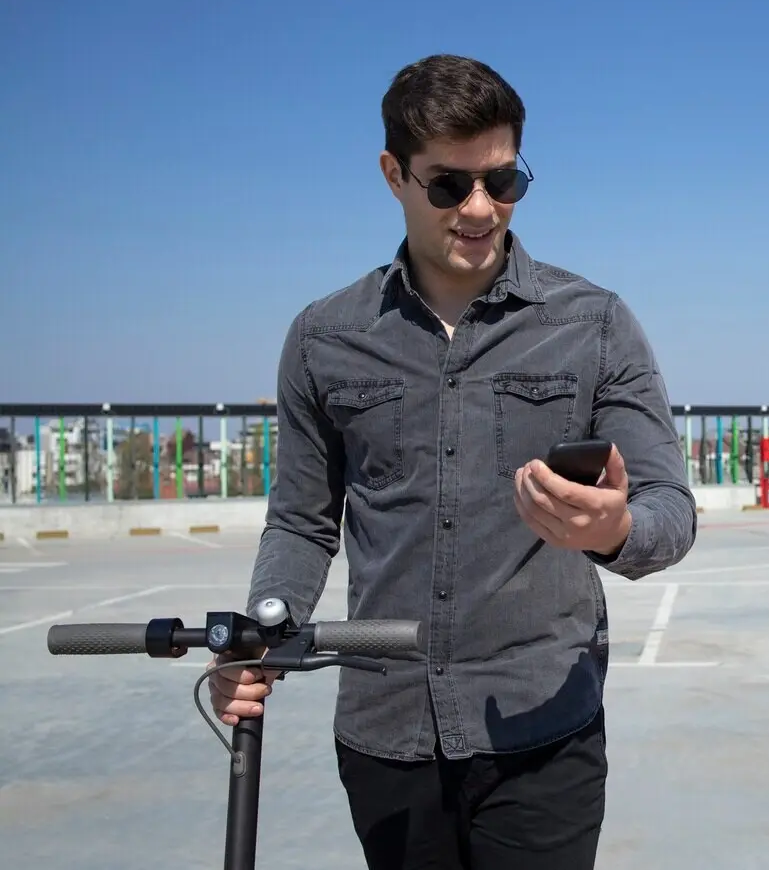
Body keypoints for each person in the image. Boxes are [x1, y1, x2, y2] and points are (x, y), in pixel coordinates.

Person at [208, 53, 698, 869]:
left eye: (503, 182)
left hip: (543, 730)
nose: (479, 209)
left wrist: (613, 530)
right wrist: (261, 626)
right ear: (393, 175)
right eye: (449, 185)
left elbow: (669, 512)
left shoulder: (595, 324)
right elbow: (300, 523)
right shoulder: (324, 338)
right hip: (385, 733)